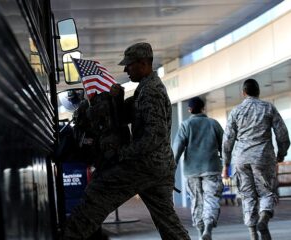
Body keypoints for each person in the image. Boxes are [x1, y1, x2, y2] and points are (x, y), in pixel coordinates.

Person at [62, 42, 190, 240]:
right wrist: (116, 99)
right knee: (168, 222)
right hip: (157, 167)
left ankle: (71, 236)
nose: (125, 69)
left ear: (143, 63)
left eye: (129, 65)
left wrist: (121, 154)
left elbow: (152, 137)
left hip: (146, 165)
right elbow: (122, 116)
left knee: (97, 192)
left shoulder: (151, 92)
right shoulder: (144, 90)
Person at [222, 79, 290, 240]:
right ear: (258, 92)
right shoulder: (268, 107)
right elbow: (282, 134)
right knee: (267, 192)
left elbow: (227, 140)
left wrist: (225, 163)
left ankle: (253, 235)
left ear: (243, 93)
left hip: (241, 158)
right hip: (263, 157)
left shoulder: (236, 111)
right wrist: (282, 153)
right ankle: (264, 219)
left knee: (247, 195)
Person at [173, 96, 224, 240]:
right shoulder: (213, 124)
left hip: (192, 171)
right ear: (203, 108)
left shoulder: (185, 125)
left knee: (196, 201)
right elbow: (225, 147)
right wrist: (226, 163)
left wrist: (172, 169)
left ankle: (201, 233)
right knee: (211, 199)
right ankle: (208, 228)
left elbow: (177, 150)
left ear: (189, 110)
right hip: (212, 168)